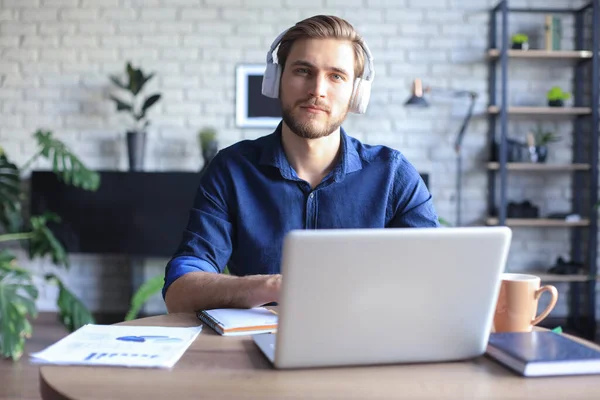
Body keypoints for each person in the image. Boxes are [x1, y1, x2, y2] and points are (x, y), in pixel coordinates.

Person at [163, 15, 439, 313]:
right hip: (258, 349)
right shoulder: (232, 169)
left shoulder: (393, 174)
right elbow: (181, 288)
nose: (317, 89)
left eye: (336, 76)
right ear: (276, 79)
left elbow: (436, 279)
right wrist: (272, 287)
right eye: (303, 71)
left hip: (366, 345)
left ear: (356, 93)